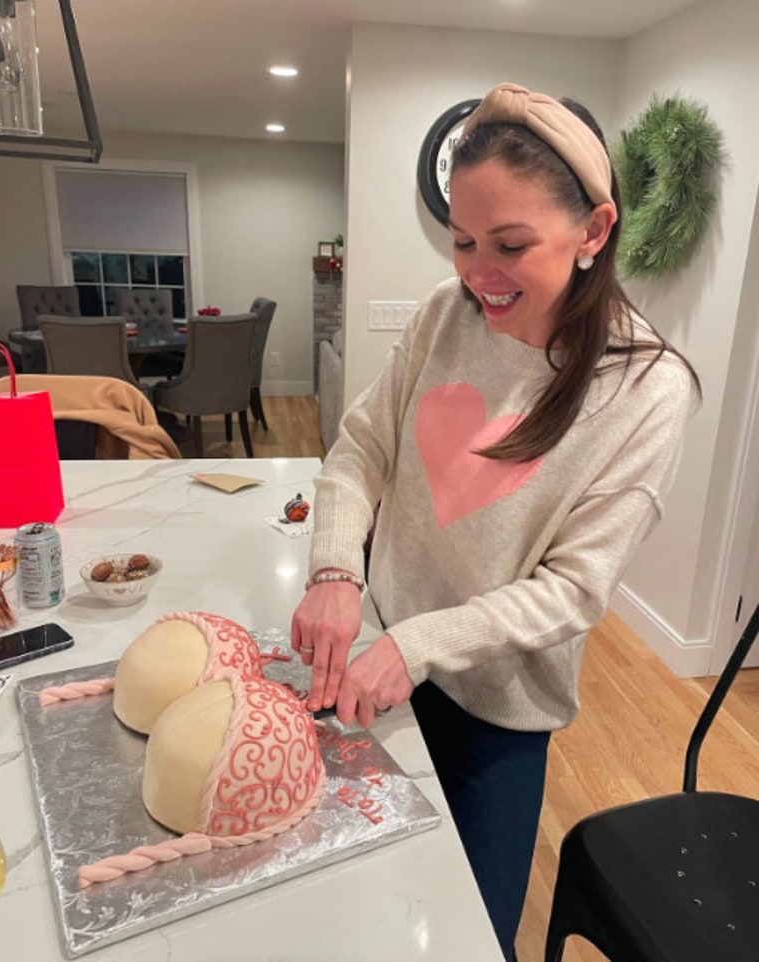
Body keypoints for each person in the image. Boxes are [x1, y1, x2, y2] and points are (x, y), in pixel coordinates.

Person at [291, 82, 700, 962]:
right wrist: (334, 571)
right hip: (377, 656)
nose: (479, 273)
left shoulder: (646, 388)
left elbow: (571, 592)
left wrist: (422, 644)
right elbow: (361, 447)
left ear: (594, 231)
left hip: (496, 715)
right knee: (348, 910)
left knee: (464, 938)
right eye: (464, 242)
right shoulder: (446, 316)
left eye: (512, 245)